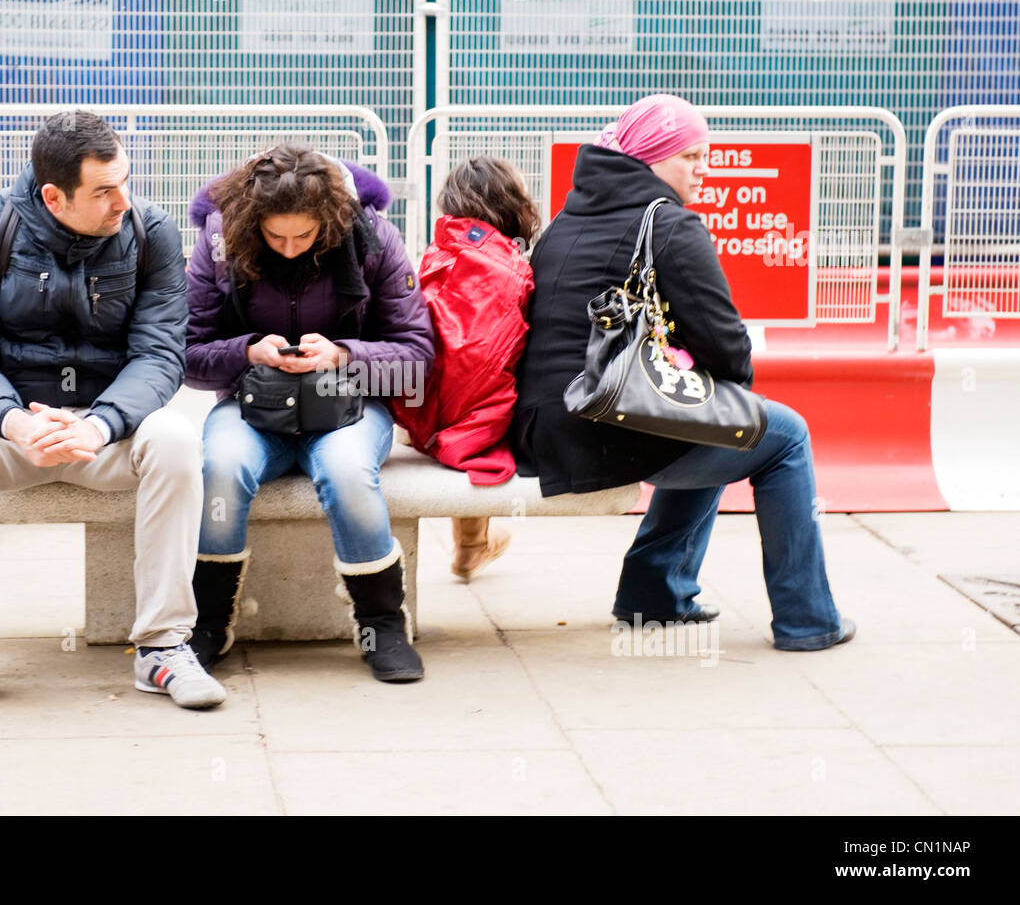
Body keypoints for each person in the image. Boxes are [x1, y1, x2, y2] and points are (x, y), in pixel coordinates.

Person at [513, 93, 856, 651]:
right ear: (650, 156)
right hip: (597, 428)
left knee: (708, 412)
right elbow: (726, 344)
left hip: (542, 425)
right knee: (782, 433)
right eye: (690, 156)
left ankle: (658, 595)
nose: (704, 169)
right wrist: (725, 389)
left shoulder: (567, 217)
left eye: (706, 155)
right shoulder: (667, 222)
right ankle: (808, 621)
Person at [0, 110, 226, 714]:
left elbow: (160, 355)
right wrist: (15, 420)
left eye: (126, 181)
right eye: (104, 191)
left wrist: (100, 422)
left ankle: (163, 647)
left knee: (178, 442)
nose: (122, 201)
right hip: (9, 426)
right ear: (54, 196)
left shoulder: (151, 233)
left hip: (108, 430)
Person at [184, 145, 434, 682]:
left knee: (346, 472)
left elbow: (417, 358)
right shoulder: (219, 241)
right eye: (276, 236)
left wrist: (345, 355)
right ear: (253, 222)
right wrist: (248, 350)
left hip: (351, 403)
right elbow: (187, 355)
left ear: (334, 219)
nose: (292, 248)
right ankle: (208, 623)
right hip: (250, 405)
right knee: (220, 469)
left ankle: (381, 625)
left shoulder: (374, 238)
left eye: (306, 235)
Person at [391, 156, 538, 582]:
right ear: (508, 204)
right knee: (491, 405)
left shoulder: (436, 254)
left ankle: (472, 544)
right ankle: (473, 543)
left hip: (416, 412)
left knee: (472, 396)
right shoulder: (510, 267)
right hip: (469, 420)